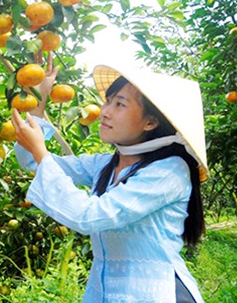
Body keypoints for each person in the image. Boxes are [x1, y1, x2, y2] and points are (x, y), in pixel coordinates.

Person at [11, 61, 207, 302]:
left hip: (157, 294)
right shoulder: (105, 164)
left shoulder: (169, 171)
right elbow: (34, 163)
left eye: (120, 104)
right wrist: (39, 102)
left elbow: (89, 216)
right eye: (108, 101)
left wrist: (40, 150)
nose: (105, 112)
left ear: (150, 122)